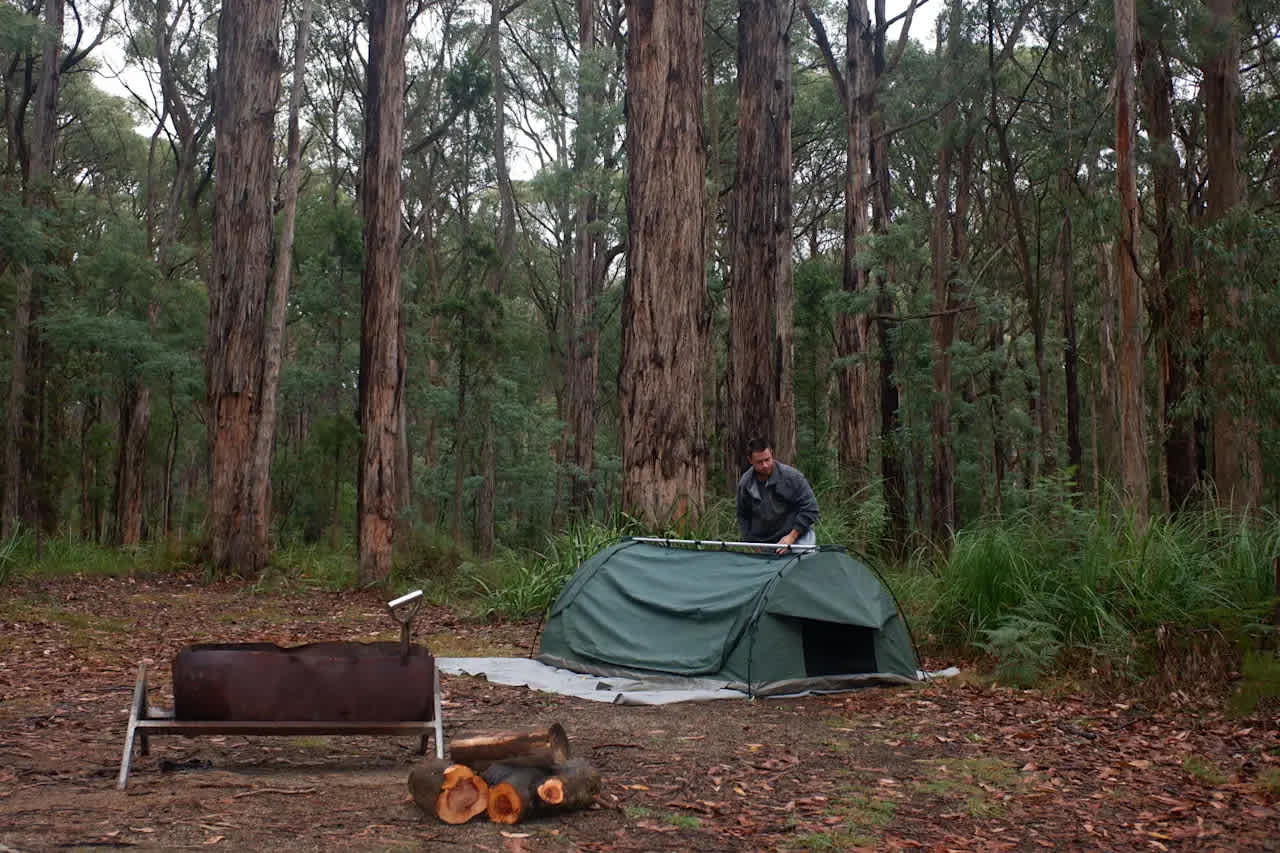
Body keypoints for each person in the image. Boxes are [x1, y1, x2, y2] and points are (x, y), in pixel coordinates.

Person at [735, 438, 819, 551]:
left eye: (767, 459)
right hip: (764, 542)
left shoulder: (792, 477)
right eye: (759, 462)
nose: (765, 465)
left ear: (772, 454)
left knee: (801, 564)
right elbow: (743, 516)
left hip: (797, 535)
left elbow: (811, 508)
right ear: (750, 460)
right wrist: (753, 544)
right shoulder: (745, 484)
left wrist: (791, 537)